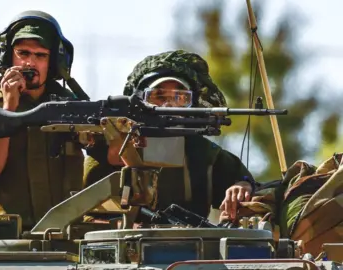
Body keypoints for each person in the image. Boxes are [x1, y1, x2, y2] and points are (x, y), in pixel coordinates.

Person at [83, 49, 256, 224]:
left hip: (192, 246)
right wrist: (126, 227)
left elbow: (248, 184)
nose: (169, 104)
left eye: (180, 97)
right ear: (139, 101)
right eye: (158, 96)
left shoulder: (202, 153)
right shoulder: (112, 149)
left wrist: (242, 187)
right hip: (121, 246)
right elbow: (80, 214)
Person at [0, 10, 84, 230]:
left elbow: (110, 157)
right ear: (7, 57)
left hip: (60, 234)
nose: (30, 63)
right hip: (1, 238)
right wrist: (8, 110)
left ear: (53, 62)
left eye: (40, 55)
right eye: (23, 53)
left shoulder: (71, 107)